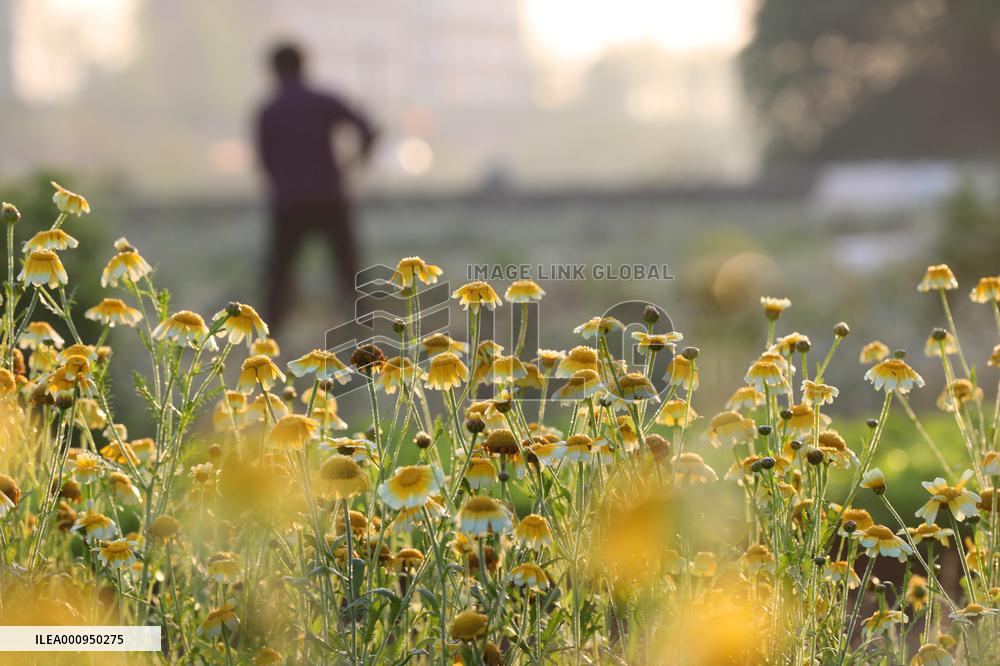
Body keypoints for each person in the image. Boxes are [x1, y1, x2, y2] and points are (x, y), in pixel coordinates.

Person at [256, 42, 376, 335]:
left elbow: (265, 161)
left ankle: (269, 338)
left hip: (289, 204)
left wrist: (284, 183)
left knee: (279, 275)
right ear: (303, 64)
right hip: (329, 197)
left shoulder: (269, 111)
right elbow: (367, 128)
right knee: (348, 271)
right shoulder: (323, 101)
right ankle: (363, 331)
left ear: (274, 70)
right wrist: (354, 163)